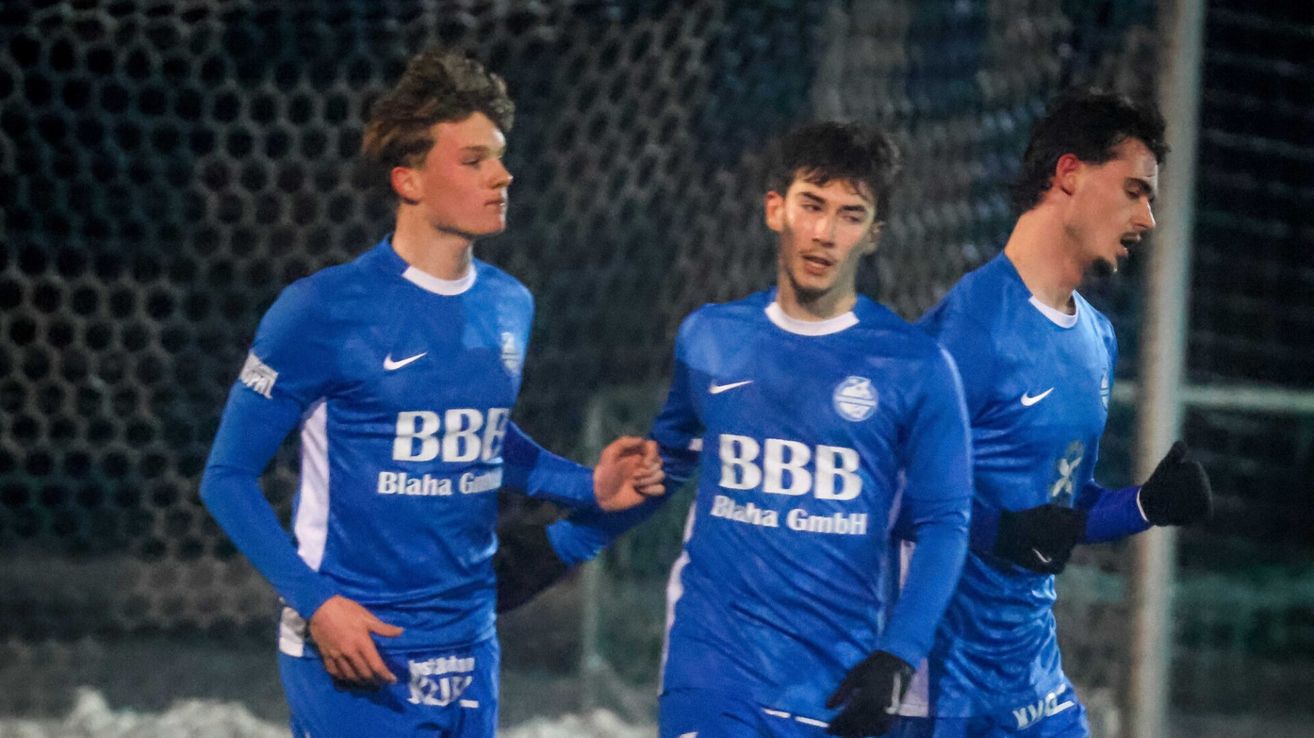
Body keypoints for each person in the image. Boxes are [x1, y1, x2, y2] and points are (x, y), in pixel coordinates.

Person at [199, 47, 663, 738]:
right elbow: (226, 478)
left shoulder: (511, 304)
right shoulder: (322, 310)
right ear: (408, 180)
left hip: (470, 640)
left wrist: (587, 486)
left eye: (500, 157)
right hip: (357, 648)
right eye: (473, 160)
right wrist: (317, 605)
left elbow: (478, 436)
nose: (502, 175)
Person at [499, 121, 975, 737]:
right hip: (715, 663)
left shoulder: (917, 367)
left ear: (874, 235)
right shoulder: (712, 339)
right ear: (775, 208)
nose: (825, 233)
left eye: (850, 215)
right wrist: (566, 544)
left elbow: (945, 524)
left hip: (836, 675)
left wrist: (899, 655)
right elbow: (664, 465)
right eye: (812, 205)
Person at [890, 90, 1213, 738]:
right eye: (1133, 191)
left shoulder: (1096, 339)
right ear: (1068, 175)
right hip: (936, 692)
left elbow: (1057, 509)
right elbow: (881, 492)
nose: (1148, 218)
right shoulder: (968, 329)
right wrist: (998, 531)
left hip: (1031, 680)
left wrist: (1145, 505)